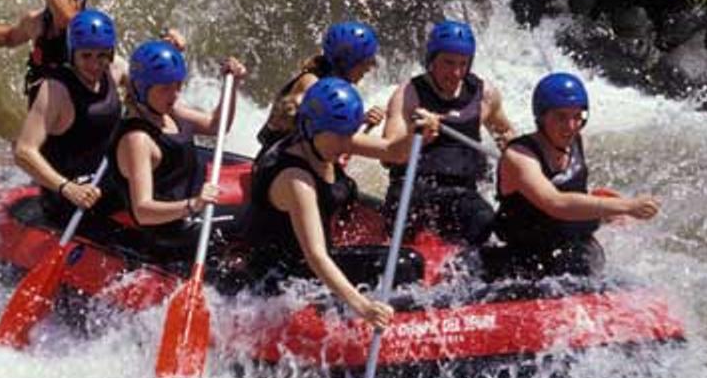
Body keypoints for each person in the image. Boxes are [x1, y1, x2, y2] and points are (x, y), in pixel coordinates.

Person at [242, 78, 439, 327]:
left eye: (350, 134)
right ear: (313, 128)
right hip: (280, 275)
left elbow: (393, 151)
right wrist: (362, 306)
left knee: (409, 261)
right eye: (341, 136)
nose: (348, 143)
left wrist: (419, 135)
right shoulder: (295, 179)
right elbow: (316, 255)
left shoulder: (330, 138)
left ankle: (394, 325)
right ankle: (370, 325)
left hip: (309, 261)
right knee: (403, 264)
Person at [487, 72, 660, 280]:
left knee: (583, 259)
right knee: (571, 264)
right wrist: (628, 206)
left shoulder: (576, 142)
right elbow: (556, 203)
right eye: (561, 117)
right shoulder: (519, 157)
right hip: (527, 256)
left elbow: (574, 193)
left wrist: (606, 209)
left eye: (577, 116)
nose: (570, 126)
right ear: (542, 117)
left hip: (572, 247)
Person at [107, 40, 248, 260]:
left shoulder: (170, 112)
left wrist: (233, 86)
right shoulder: (137, 140)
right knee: (246, 224)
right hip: (166, 229)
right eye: (165, 88)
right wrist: (193, 205)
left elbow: (217, 125)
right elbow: (142, 211)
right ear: (142, 88)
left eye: (178, 86)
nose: (174, 95)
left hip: (189, 211)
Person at [381, 19, 515, 246]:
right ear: (432, 61)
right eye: (448, 63)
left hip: (462, 194)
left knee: (484, 221)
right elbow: (386, 156)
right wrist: (417, 135)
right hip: (415, 190)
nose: (455, 73)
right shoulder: (409, 95)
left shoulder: (485, 95)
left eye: (463, 64)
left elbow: (507, 137)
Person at [12, 8, 124, 222]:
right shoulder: (55, 90)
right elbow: (23, 151)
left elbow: (150, 84)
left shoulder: (115, 68)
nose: (94, 64)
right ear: (72, 53)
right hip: (68, 196)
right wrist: (67, 188)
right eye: (86, 56)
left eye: (102, 55)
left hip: (106, 178)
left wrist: (170, 48)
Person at [255, 21, 386, 152]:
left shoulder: (330, 82)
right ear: (347, 63)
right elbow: (318, 134)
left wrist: (361, 120)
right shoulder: (311, 85)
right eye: (367, 62)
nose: (370, 68)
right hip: (282, 164)